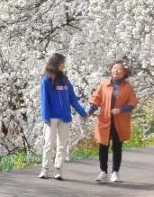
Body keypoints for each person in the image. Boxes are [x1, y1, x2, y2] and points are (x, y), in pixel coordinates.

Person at [38, 53, 88, 181]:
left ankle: (58, 169)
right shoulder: (46, 80)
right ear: (55, 63)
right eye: (61, 63)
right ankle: (45, 169)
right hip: (51, 118)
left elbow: (73, 98)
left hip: (65, 118)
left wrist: (83, 112)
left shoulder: (65, 80)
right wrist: (45, 117)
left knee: (62, 145)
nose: (63, 65)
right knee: (49, 144)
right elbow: (44, 100)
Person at [89, 61, 138, 183]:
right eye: (114, 68)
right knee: (103, 146)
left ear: (125, 72)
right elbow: (96, 99)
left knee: (117, 146)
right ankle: (103, 171)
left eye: (119, 69)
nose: (115, 71)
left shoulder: (128, 87)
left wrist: (120, 110)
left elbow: (132, 104)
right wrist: (88, 112)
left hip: (120, 121)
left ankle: (115, 172)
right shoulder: (104, 85)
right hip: (105, 120)